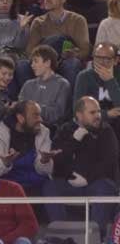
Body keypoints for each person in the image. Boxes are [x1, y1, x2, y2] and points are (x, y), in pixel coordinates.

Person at [45, 96, 118, 230]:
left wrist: (88, 178)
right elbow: (58, 160)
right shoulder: (65, 129)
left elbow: (110, 161)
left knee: (106, 187)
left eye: (98, 111)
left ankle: (95, 236)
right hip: (68, 182)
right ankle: (60, 235)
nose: (97, 116)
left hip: (95, 182)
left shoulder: (105, 130)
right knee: (50, 187)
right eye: (92, 112)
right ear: (79, 115)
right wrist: (74, 141)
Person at [0, 99, 52, 194]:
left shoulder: (44, 131)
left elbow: (45, 171)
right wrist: (5, 163)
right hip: (9, 184)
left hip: (37, 183)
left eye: (39, 115)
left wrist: (44, 161)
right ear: (21, 118)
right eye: (35, 115)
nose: (40, 119)